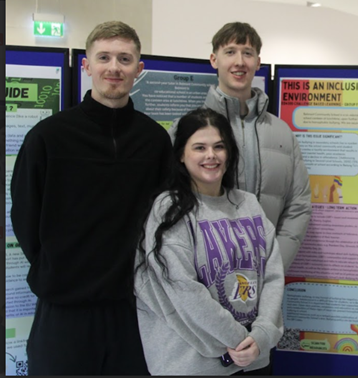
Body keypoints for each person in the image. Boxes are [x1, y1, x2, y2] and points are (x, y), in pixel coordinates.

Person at [10, 21, 172, 375]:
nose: (114, 67)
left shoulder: (154, 141)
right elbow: (24, 214)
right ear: (86, 65)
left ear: (138, 70)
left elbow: (166, 219)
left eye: (125, 59)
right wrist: (56, 268)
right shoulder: (48, 138)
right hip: (64, 311)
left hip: (134, 310)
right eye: (104, 57)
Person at [134, 108, 284, 375]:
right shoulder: (169, 210)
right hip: (194, 365)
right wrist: (238, 339)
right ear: (181, 154)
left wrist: (261, 335)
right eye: (199, 147)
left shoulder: (248, 204)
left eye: (218, 147)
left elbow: (272, 276)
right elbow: (183, 290)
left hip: (253, 360)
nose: (211, 155)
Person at [169, 21, 311, 274]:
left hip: (267, 274)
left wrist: (274, 266)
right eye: (230, 51)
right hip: (206, 275)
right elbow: (172, 199)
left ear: (258, 62)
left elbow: (297, 204)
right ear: (214, 60)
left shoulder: (282, 133)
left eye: (247, 53)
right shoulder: (186, 130)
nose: (240, 61)